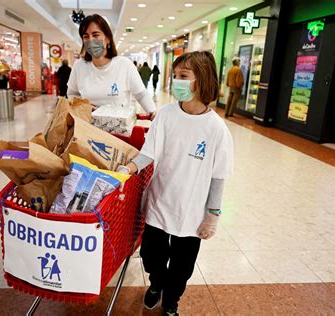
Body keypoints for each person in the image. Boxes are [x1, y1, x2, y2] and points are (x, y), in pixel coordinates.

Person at [118, 51, 234, 316]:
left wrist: (213, 216)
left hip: (191, 212)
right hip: (160, 201)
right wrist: (129, 167)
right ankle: (157, 284)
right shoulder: (167, 115)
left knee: (182, 267)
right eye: (175, 76)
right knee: (151, 255)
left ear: (202, 80)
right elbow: (149, 152)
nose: (176, 82)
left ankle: (171, 300)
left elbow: (218, 176)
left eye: (183, 76)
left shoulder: (217, 130)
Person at [67, 14, 156, 117]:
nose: (91, 40)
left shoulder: (124, 65)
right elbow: (72, 94)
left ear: (107, 38)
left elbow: (141, 95)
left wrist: (152, 112)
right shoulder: (79, 66)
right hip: (88, 127)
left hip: (118, 129)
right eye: (86, 36)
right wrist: (83, 106)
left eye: (96, 35)